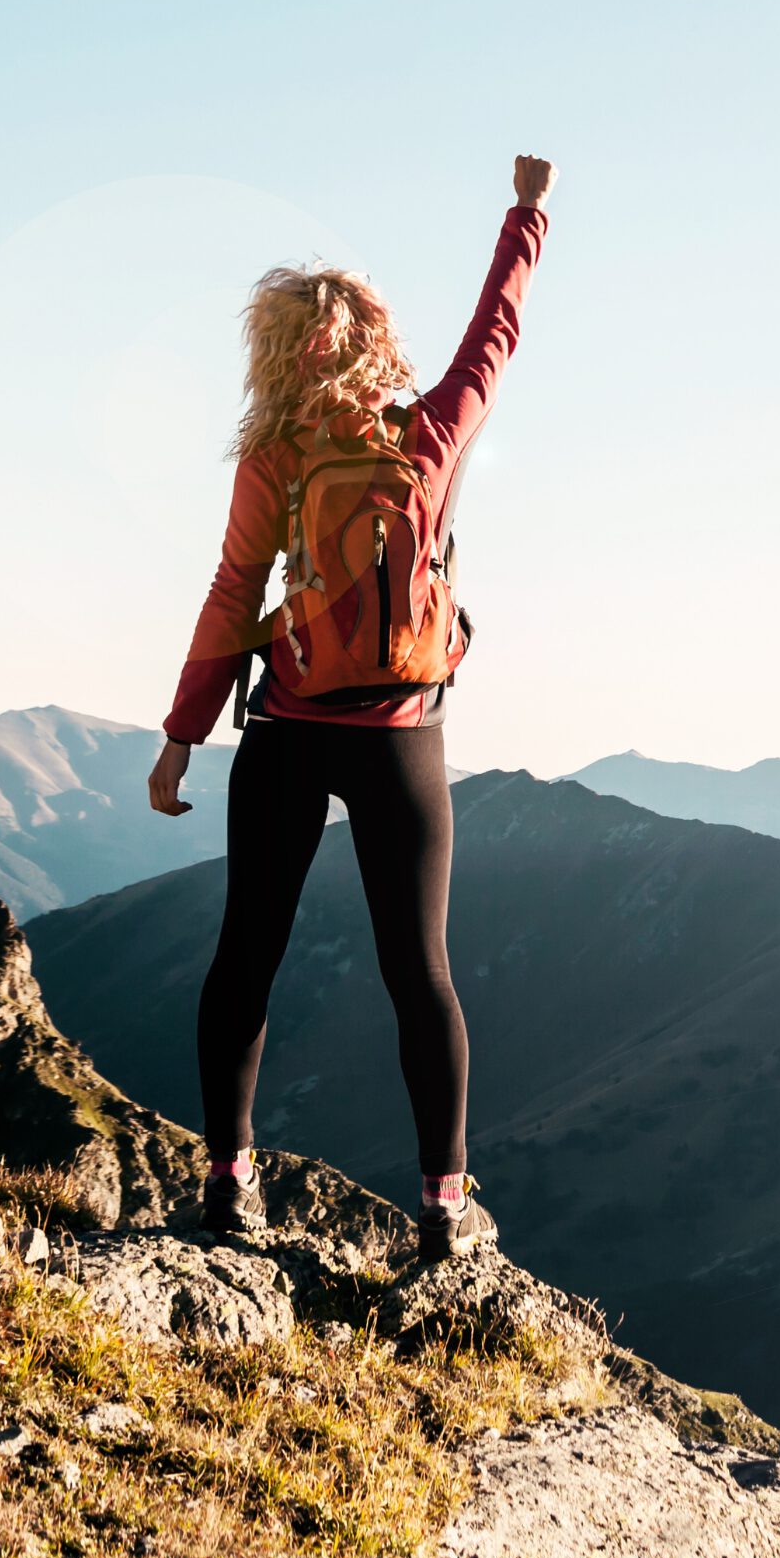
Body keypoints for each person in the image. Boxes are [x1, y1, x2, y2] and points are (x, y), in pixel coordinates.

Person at [147, 153, 557, 1260]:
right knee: (417, 969)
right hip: (399, 736)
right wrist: (524, 215)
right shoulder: (428, 433)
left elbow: (234, 593)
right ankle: (440, 1200)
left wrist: (182, 735)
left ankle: (228, 1179)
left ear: (273, 352)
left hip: (286, 730)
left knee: (246, 953)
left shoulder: (273, 457)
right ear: (375, 340)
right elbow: (494, 336)